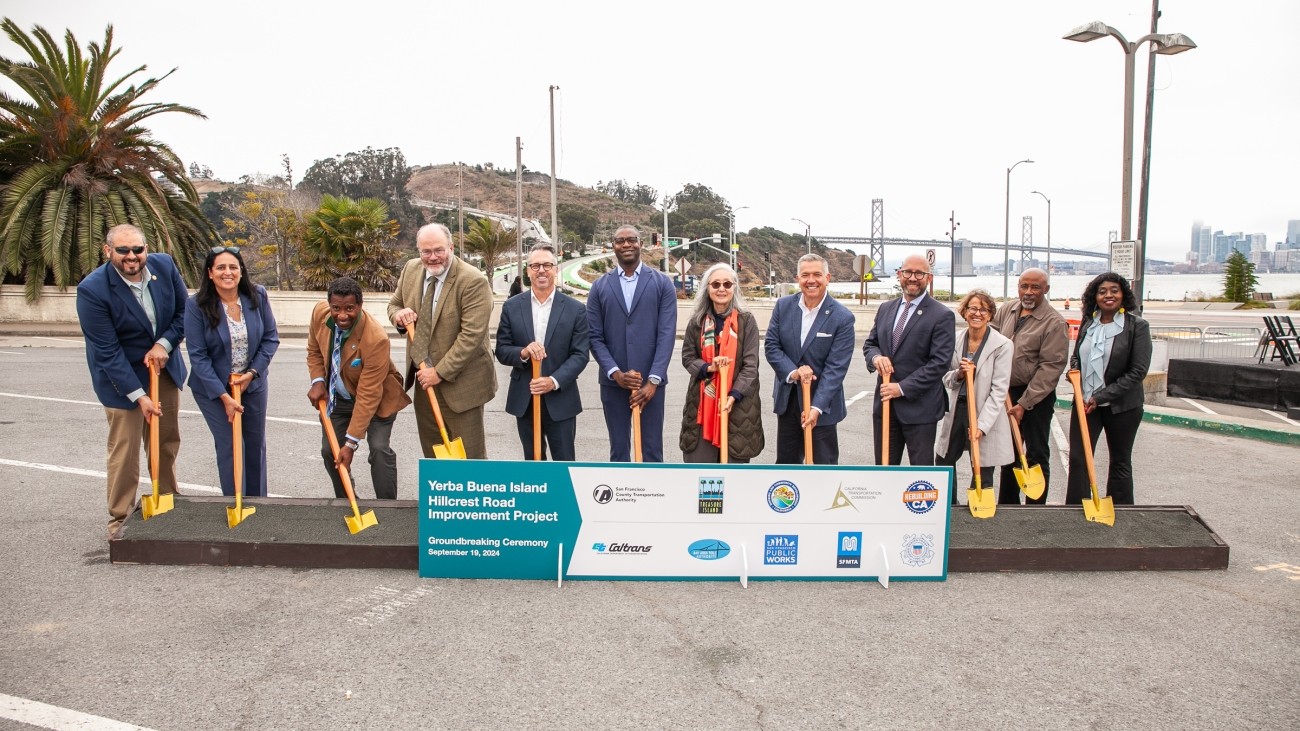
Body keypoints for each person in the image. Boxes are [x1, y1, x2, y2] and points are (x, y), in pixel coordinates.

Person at [76, 224, 188, 538]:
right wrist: (139, 397)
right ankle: (120, 517)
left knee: (164, 442)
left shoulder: (164, 266)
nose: (131, 257)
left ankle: (167, 502)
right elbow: (108, 352)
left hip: (162, 370)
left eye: (137, 249)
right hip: (120, 379)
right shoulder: (92, 290)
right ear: (107, 250)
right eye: (123, 250)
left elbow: (183, 313)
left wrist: (163, 345)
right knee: (125, 452)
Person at [388, 223, 496, 459]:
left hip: (462, 385)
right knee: (434, 454)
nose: (432, 257)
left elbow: (471, 337)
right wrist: (398, 315)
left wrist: (439, 372)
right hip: (424, 383)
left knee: (469, 458)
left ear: (451, 247)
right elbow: (394, 304)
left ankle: (473, 497)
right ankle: (442, 497)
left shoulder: (473, 281)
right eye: (426, 252)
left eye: (439, 250)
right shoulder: (410, 270)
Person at [184, 246, 280, 497]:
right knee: (230, 444)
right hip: (213, 389)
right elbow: (198, 356)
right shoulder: (197, 305)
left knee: (254, 444)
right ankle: (235, 502)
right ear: (210, 273)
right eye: (221, 267)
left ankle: (257, 504)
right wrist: (224, 397)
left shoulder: (257, 296)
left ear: (241, 271)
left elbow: (270, 339)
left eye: (233, 267)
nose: (228, 272)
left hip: (252, 383)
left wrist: (252, 373)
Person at [307, 277, 411, 499]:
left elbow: (368, 394)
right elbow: (314, 350)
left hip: (377, 401)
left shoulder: (375, 338)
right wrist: (317, 381)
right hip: (339, 400)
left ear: (360, 305)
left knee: (379, 449)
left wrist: (351, 444)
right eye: (336, 308)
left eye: (349, 309)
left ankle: (388, 506)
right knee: (330, 451)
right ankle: (346, 500)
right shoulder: (320, 313)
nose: (342, 315)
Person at [586, 225, 677, 462]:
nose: (626, 244)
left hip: (651, 385)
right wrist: (615, 374)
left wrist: (653, 381)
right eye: (620, 241)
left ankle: (653, 498)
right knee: (618, 452)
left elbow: (666, 334)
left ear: (641, 243)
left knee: (652, 452)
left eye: (631, 240)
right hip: (614, 384)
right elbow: (595, 337)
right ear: (613, 246)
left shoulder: (662, 284)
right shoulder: (599, 287)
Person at [494, 245, 590, 460]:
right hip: (525, 398)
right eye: (535, 265)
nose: (541, 270)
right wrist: (524, 352)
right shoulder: (512, 307)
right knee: (533, 463)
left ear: (555, 269)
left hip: (561, 398)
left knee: (564, 463)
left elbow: (580, 354)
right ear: (528, 271)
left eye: (547, 265)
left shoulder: (575, 309)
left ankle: (562, 496)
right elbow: (501, 350)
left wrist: (553, 381)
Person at [1066, 273, 1152, 506]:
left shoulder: (1137, 327)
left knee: (1120, 460)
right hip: (1085, 403)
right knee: (1079, 459)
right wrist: (1074, 373)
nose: (1108, 295)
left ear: (1123, 294)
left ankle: (1121, 510)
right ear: (1095, 296)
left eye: (1114, 290)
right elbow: (1077, 358)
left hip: (1122, 406)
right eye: (1102, 291)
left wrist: (1101, 396)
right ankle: (1075, 510)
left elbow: (1138, 371)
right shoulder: (1088, 323)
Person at [862, 254, 955, 466]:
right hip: (885, 407)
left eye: (919, 273)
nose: (913, 278)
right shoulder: (886, 309)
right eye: (908, 272)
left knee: (919, 478)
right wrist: (876, 358)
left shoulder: (942, 315)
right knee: (884, 471)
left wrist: (902, 388)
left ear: (929, 278)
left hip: (920, 409)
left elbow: (939, 363)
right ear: (899, 275)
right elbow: (870, 344)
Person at [763, 253, 855, 464]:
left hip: (822, 407)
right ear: (797, 278)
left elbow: (836, 369)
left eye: (817, 274)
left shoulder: (842, 317)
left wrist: (816, 407)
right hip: (788, 402)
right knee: (787, 469)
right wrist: (793, 372)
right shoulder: (783, 306)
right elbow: (772, 346)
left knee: (824, 470)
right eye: (805, 275)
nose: (811, 280)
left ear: (828, 278)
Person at [990, 268, 1069, 504]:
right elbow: (990, 337)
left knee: (1035, 453)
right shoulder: (1007, 309)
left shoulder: (1054, 323)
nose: (1029, 292)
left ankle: (1036, 509)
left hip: (1036, 396)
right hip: (1006, 392)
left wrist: (1024, 403)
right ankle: (1007, 504)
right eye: (1024, 286)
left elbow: (1050, 368)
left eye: (1035, 287)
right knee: (1009, 451)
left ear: (1046, 290)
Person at [935, 290, 1013, 503]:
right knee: (944, 460)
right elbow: (946, 378)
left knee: (983, 464)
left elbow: (999, 390)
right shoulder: (955, 340)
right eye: (972, 308)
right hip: (958, 407)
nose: (977, 313)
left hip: (983, 410)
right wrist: (959, 374)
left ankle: (978, 510)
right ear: (965, 311)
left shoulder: (1002, 345)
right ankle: (949, 505)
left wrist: (982, 425)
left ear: (990, 314)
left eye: (983, 309)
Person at [680, 264, 764, 463]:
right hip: (702, 406)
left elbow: (751, 366)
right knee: (702, 474)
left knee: (734, 475)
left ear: (734, 288)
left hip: (739, 405)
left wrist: (733, 396)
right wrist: (709, 367)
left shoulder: (747, 321)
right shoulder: (697, 322)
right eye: (715, 284)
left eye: (727, 284)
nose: (721, 289)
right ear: (707, 289)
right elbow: (688, 357)